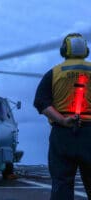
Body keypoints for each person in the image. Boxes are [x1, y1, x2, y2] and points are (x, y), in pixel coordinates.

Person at [34, 33, 91, 200]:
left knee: (62, 184)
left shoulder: (54, 73)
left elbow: (41, 103)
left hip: (62, 134)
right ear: (86, 50)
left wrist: (63, 120)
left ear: (64, 50)